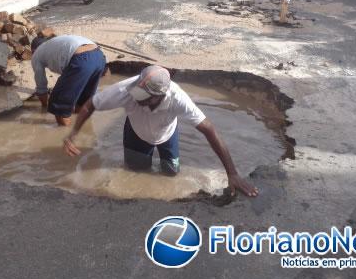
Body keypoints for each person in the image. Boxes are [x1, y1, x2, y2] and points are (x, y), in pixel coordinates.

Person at [63, 65, 259, 197]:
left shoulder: (178, 99)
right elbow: (90, 105)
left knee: (171, 174)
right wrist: (73, 134)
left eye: (144, 97)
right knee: (136, 174)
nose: (137, 98)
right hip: (136, 135)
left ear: (160, 96)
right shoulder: (126, 91)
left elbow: (209, 130)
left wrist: (232, 173)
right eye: (137, 91)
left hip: (167, 135)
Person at [31, 34, 106, 127]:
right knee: (83, 102)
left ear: (33, 50)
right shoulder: (54, 43)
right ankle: (83, 132)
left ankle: (65, 134)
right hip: (99, 57)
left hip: (81, 59)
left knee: (58, 104)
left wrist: (44, 106)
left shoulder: (36, 54)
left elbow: (41, 85)